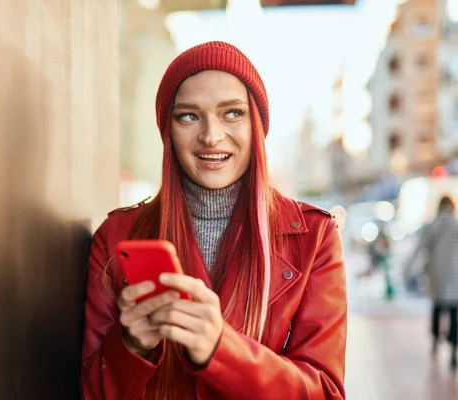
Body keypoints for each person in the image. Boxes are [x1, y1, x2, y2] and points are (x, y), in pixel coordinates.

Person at [80, 41, 347, 399]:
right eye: (188, 116)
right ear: (167, 133)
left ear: (257, 126)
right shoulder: (116, 236)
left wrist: (221, 349)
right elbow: (90, 393)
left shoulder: (314, 237)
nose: (210, 136)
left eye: (232, 113)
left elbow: (326, 393)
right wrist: (129, 347)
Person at [406, 196, 458, 369]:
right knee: (453, 313)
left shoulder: (432, 226)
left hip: (437, 275)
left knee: (437, 309)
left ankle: (435, 344)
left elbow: (419, 248)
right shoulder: (456, 226)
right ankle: (453, 351)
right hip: (454, 276)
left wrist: (408, 269)